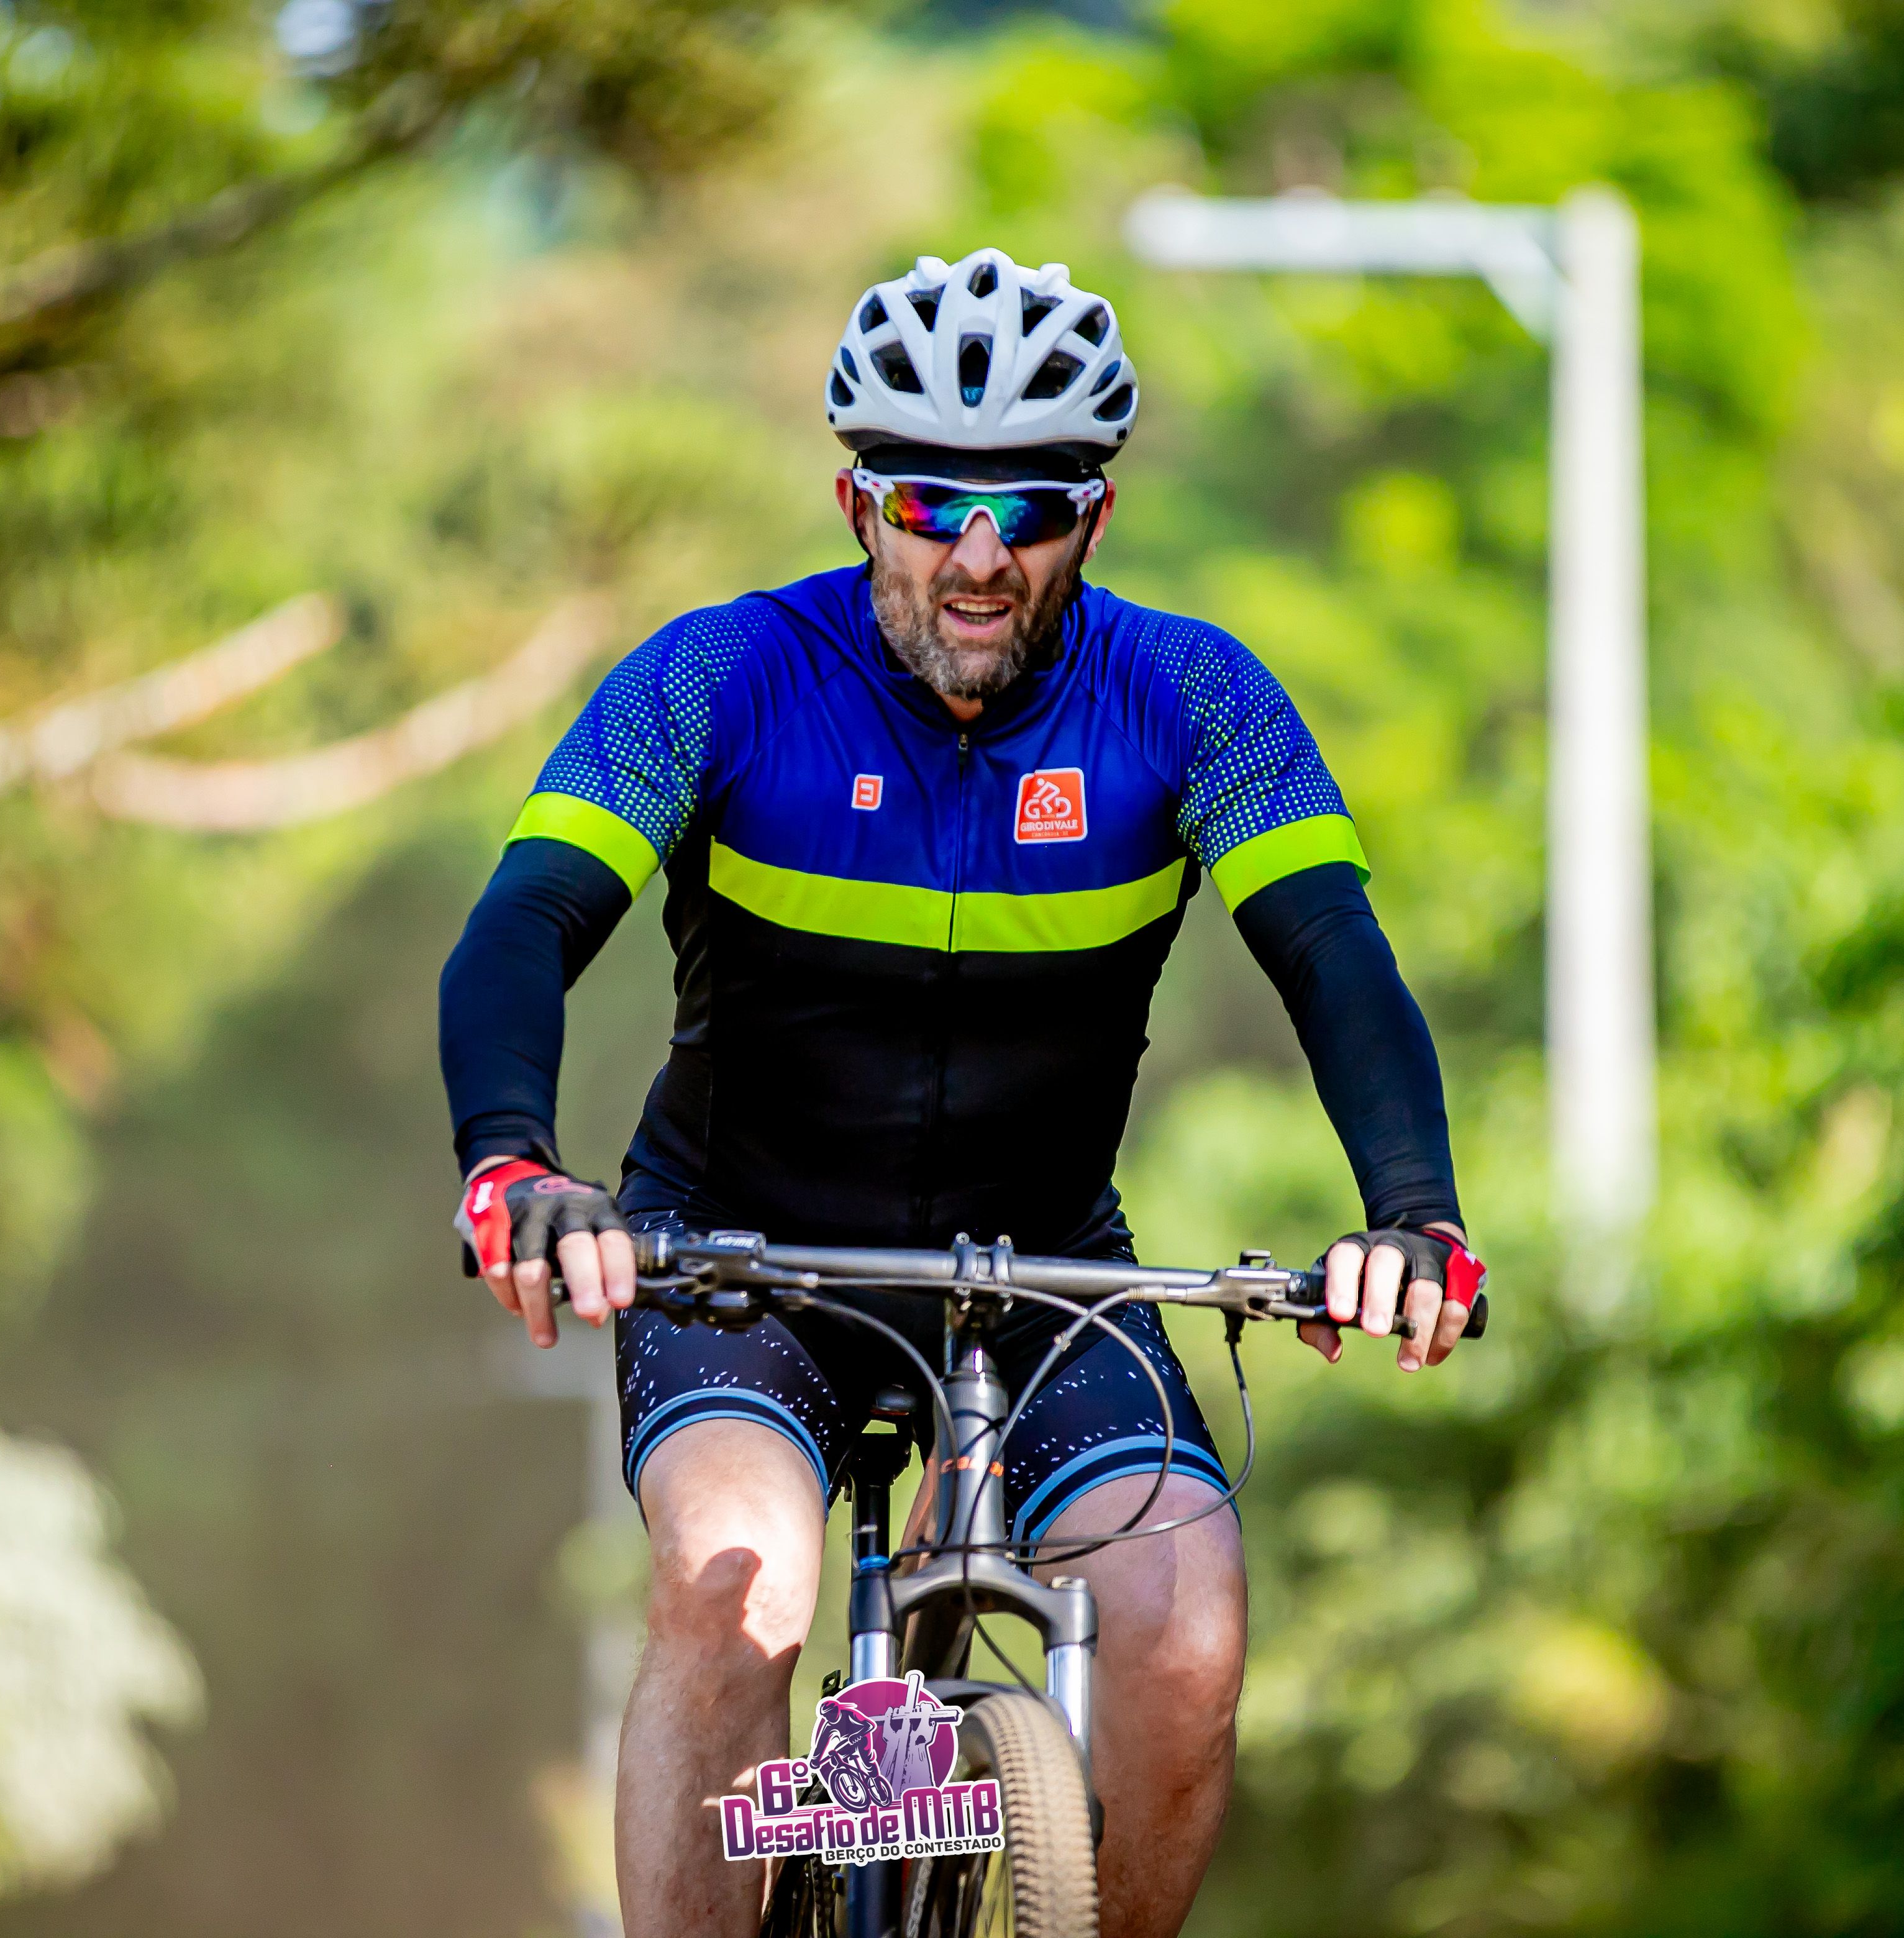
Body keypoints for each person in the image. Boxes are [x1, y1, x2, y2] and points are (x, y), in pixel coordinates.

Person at [438, 247, 1479, 1938]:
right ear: (859, 502)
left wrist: (1415, 1216)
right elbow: (523, 923)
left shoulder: (1194, 700)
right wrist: (516, 1165)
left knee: (1185, 1626)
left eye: (1033, 509)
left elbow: (1337, 961)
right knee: (741, 1595)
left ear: (1098, 517)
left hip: (1045, 1268)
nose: (980, 557)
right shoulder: (720, 677)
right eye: (932, 503)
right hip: (741, 1261)